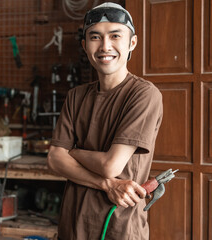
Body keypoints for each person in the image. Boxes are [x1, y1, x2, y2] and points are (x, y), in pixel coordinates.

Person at [47, 2, 163, 240]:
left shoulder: (144, 94)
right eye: (95, 37)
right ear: (84, 45)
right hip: (72, 224)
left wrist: (74, 152)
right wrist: (108, 185)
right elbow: (54, 159)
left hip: (118, 226)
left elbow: (111, 165)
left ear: (132, 43)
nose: (105, 46)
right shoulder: (76, 96)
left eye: (115, 36)